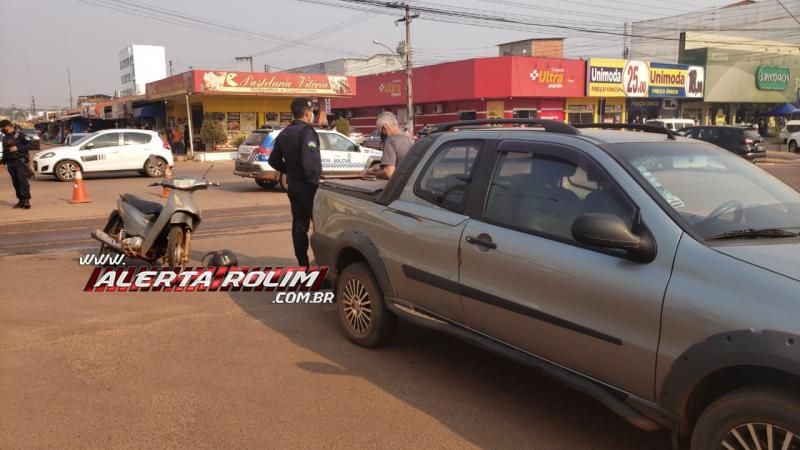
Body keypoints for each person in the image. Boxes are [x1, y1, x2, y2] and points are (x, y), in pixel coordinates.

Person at [267, 98, 321, 268]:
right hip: (309, 188)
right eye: (311, 112)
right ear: (307, 113)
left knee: (299, 227)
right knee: (321, 227)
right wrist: (315, 185)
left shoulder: (285, 133)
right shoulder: (306, 132)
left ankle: (303, 265)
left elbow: (273, 160)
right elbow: (309, 163)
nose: (312, 115)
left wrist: (289, 170)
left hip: (294, 187)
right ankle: (323, 264)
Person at [363, 111, 412, 179]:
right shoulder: (408, 139)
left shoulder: (390, 140)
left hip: (398, 183)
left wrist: (371, 173)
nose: (381, 134)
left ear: (385, 128)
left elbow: (389, 173)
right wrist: (381, 167)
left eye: (380, 130)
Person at [0, 120, 34, 209]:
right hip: (10, 163)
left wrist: (18, 148)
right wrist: (2, 162)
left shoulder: (20, 135)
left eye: (2, 128)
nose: (2, 130)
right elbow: (5, 151)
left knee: (22, 182)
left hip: (20, 162)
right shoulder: (5, 138)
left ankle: (26, 201)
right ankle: (20, 200)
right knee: (15, 183)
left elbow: (31, 145)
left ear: (8, 126)